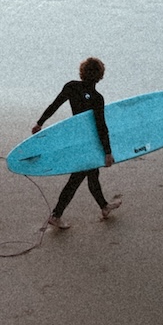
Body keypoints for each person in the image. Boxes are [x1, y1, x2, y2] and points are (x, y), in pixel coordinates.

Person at [33, 55, 118, 227]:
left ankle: (104, 206)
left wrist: (40, 122)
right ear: (100, 76)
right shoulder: (97, 97)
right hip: (89, 143)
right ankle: (56, 215)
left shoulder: (71, 87)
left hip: (75, 139)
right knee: (77, 178)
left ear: (82, 72)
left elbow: (54, 105)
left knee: (93, 174)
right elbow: (101, 126)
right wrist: (107, 152)